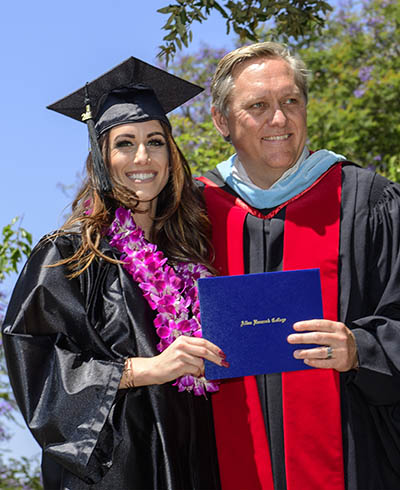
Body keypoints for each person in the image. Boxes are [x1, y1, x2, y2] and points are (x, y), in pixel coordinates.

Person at [2, 57, 225, 489]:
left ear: (171, 155)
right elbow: (39, 369)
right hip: (115, 472)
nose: (142, 157)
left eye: (155, 141)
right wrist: (149, 369)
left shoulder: (190, 258)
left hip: (194, 465)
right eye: (124, 143)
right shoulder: (69, 257)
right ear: (101, 157)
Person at [197, 42, 400, 490]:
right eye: (258, 106)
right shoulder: (191, 216)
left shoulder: (366, 200)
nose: (279, 120)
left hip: (352, 462)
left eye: (291, 101)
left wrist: (362, 349)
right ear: (221, 121)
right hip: (221, 462)